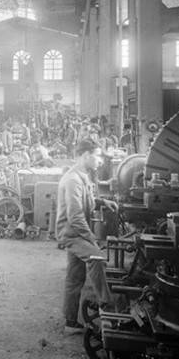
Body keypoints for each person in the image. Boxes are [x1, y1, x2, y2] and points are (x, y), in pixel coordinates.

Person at [55, 138, 119, 335]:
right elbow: (75, 217)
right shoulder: (73, 179)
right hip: (72, 233)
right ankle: (107, 306)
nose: (100, 160)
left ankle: (70, 323)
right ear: (86, 155)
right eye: (98, 155)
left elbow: (86, 201)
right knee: (97, 258)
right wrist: (92, 239)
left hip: (76, 231)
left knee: (74, 278)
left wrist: (102, 202)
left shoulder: (82, 175)